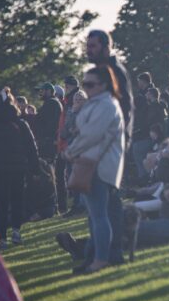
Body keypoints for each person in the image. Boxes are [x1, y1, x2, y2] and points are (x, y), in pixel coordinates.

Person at [64, 65, 126, 274]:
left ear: (104, 84)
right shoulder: (99, 104)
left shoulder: (106, 104)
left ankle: (101, 259)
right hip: (96, 163)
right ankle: (95, 256)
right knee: (95, 215)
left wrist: (72, 150)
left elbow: (92, 134)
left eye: (90, 84)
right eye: (85, 84)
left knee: (99, 215)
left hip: (99, 165)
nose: (86, 87)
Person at [0, 88, 39, 250]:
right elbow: (31, 147)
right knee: (17, 200)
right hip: (17, 168)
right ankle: (16, 231)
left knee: (0, 204)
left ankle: (2, 239)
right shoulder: (19, 123)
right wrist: (35, 168)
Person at [87, 29, 134, 142]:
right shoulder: (99, 71)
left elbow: (124, 107)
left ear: (106, 48)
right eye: (88, 46)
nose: (89, 50)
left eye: (93, 46)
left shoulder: (115, 72)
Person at [57, 75, 82, 214]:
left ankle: (78, 205)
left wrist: (63, 136)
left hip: (73, 142)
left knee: (74, 175)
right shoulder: (68, 100)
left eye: (66, 86)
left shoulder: (74, 99)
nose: (65, 88)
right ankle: (77, 204)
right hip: (69, 141)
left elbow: (69, 122)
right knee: (71, 175)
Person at [131, 72, 154, 176]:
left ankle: (144, 179)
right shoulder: (145, 94)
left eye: (139, 80)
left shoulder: (144, 96)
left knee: (140, 156)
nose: (138, 83)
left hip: (143, 132)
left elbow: (141, 115)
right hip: (146, 132)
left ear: (143, 81)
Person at [33, 82, 63, 160]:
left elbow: (51, 125)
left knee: (48, 166)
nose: (40, 93)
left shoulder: (51, 103)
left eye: (42, 91)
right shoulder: (51, 102)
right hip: (48, 142)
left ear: (49, 91)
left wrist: (46, 140)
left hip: (48, 143)